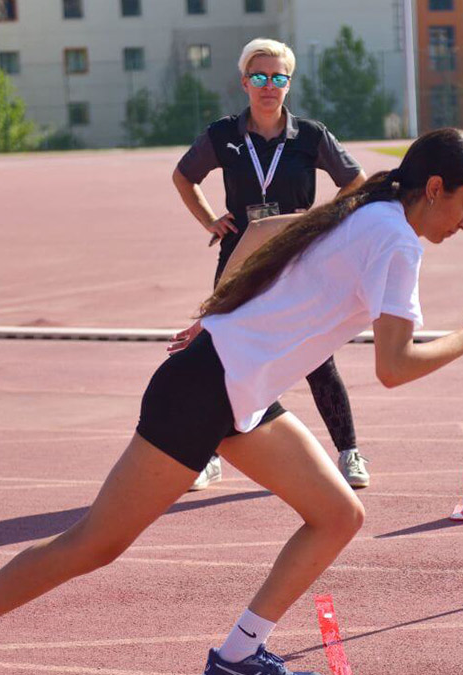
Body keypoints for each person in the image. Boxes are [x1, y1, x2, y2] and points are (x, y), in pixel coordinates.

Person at [0, 127, 463, 675]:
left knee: (338, 515)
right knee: (93, 545)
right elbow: (394, 368)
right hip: (205, 390)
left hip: (239, 390)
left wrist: (214, 315)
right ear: (432, 187)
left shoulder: (365, 207)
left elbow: (260, 231)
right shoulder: (397, 242)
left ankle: (239, 653)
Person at [173, 38, 373, 491]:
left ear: (289, 84)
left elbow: (356, 182)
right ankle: (207, 456)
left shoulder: (311, 136)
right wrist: (209, 218)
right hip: (240, 257)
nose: (269, 86)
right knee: (223, 353)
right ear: (244, 83)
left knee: (317, 357)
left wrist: (321, 222)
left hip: (297, 257)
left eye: (278, 78)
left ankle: (349, 452)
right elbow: (184, 176)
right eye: (260, 77)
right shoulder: (223, 135)